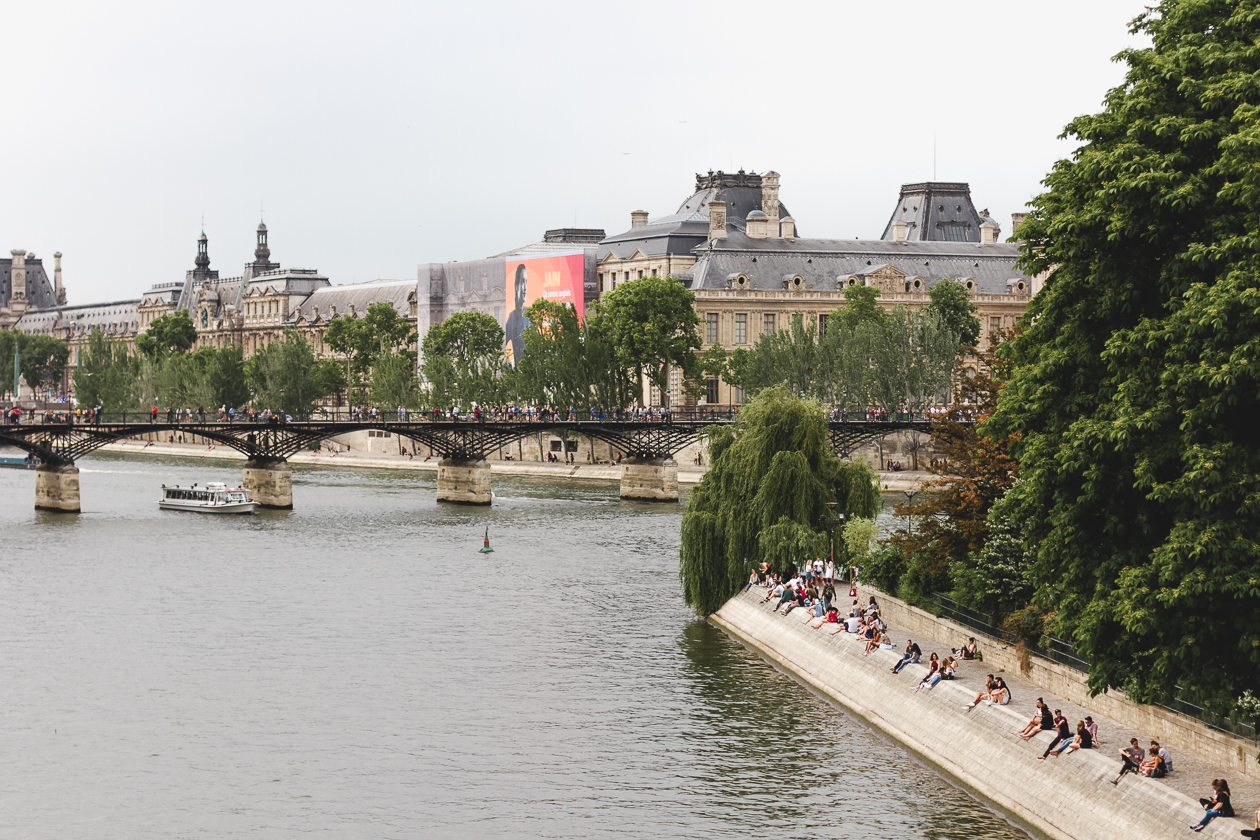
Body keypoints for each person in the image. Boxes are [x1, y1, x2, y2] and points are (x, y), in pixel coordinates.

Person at [504, 263, 530, 365]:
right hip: (519, 371)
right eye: (522, 282)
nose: (525, 288)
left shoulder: (531, 316)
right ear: (516, 285)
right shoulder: (512, 317)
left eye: (526, 282)